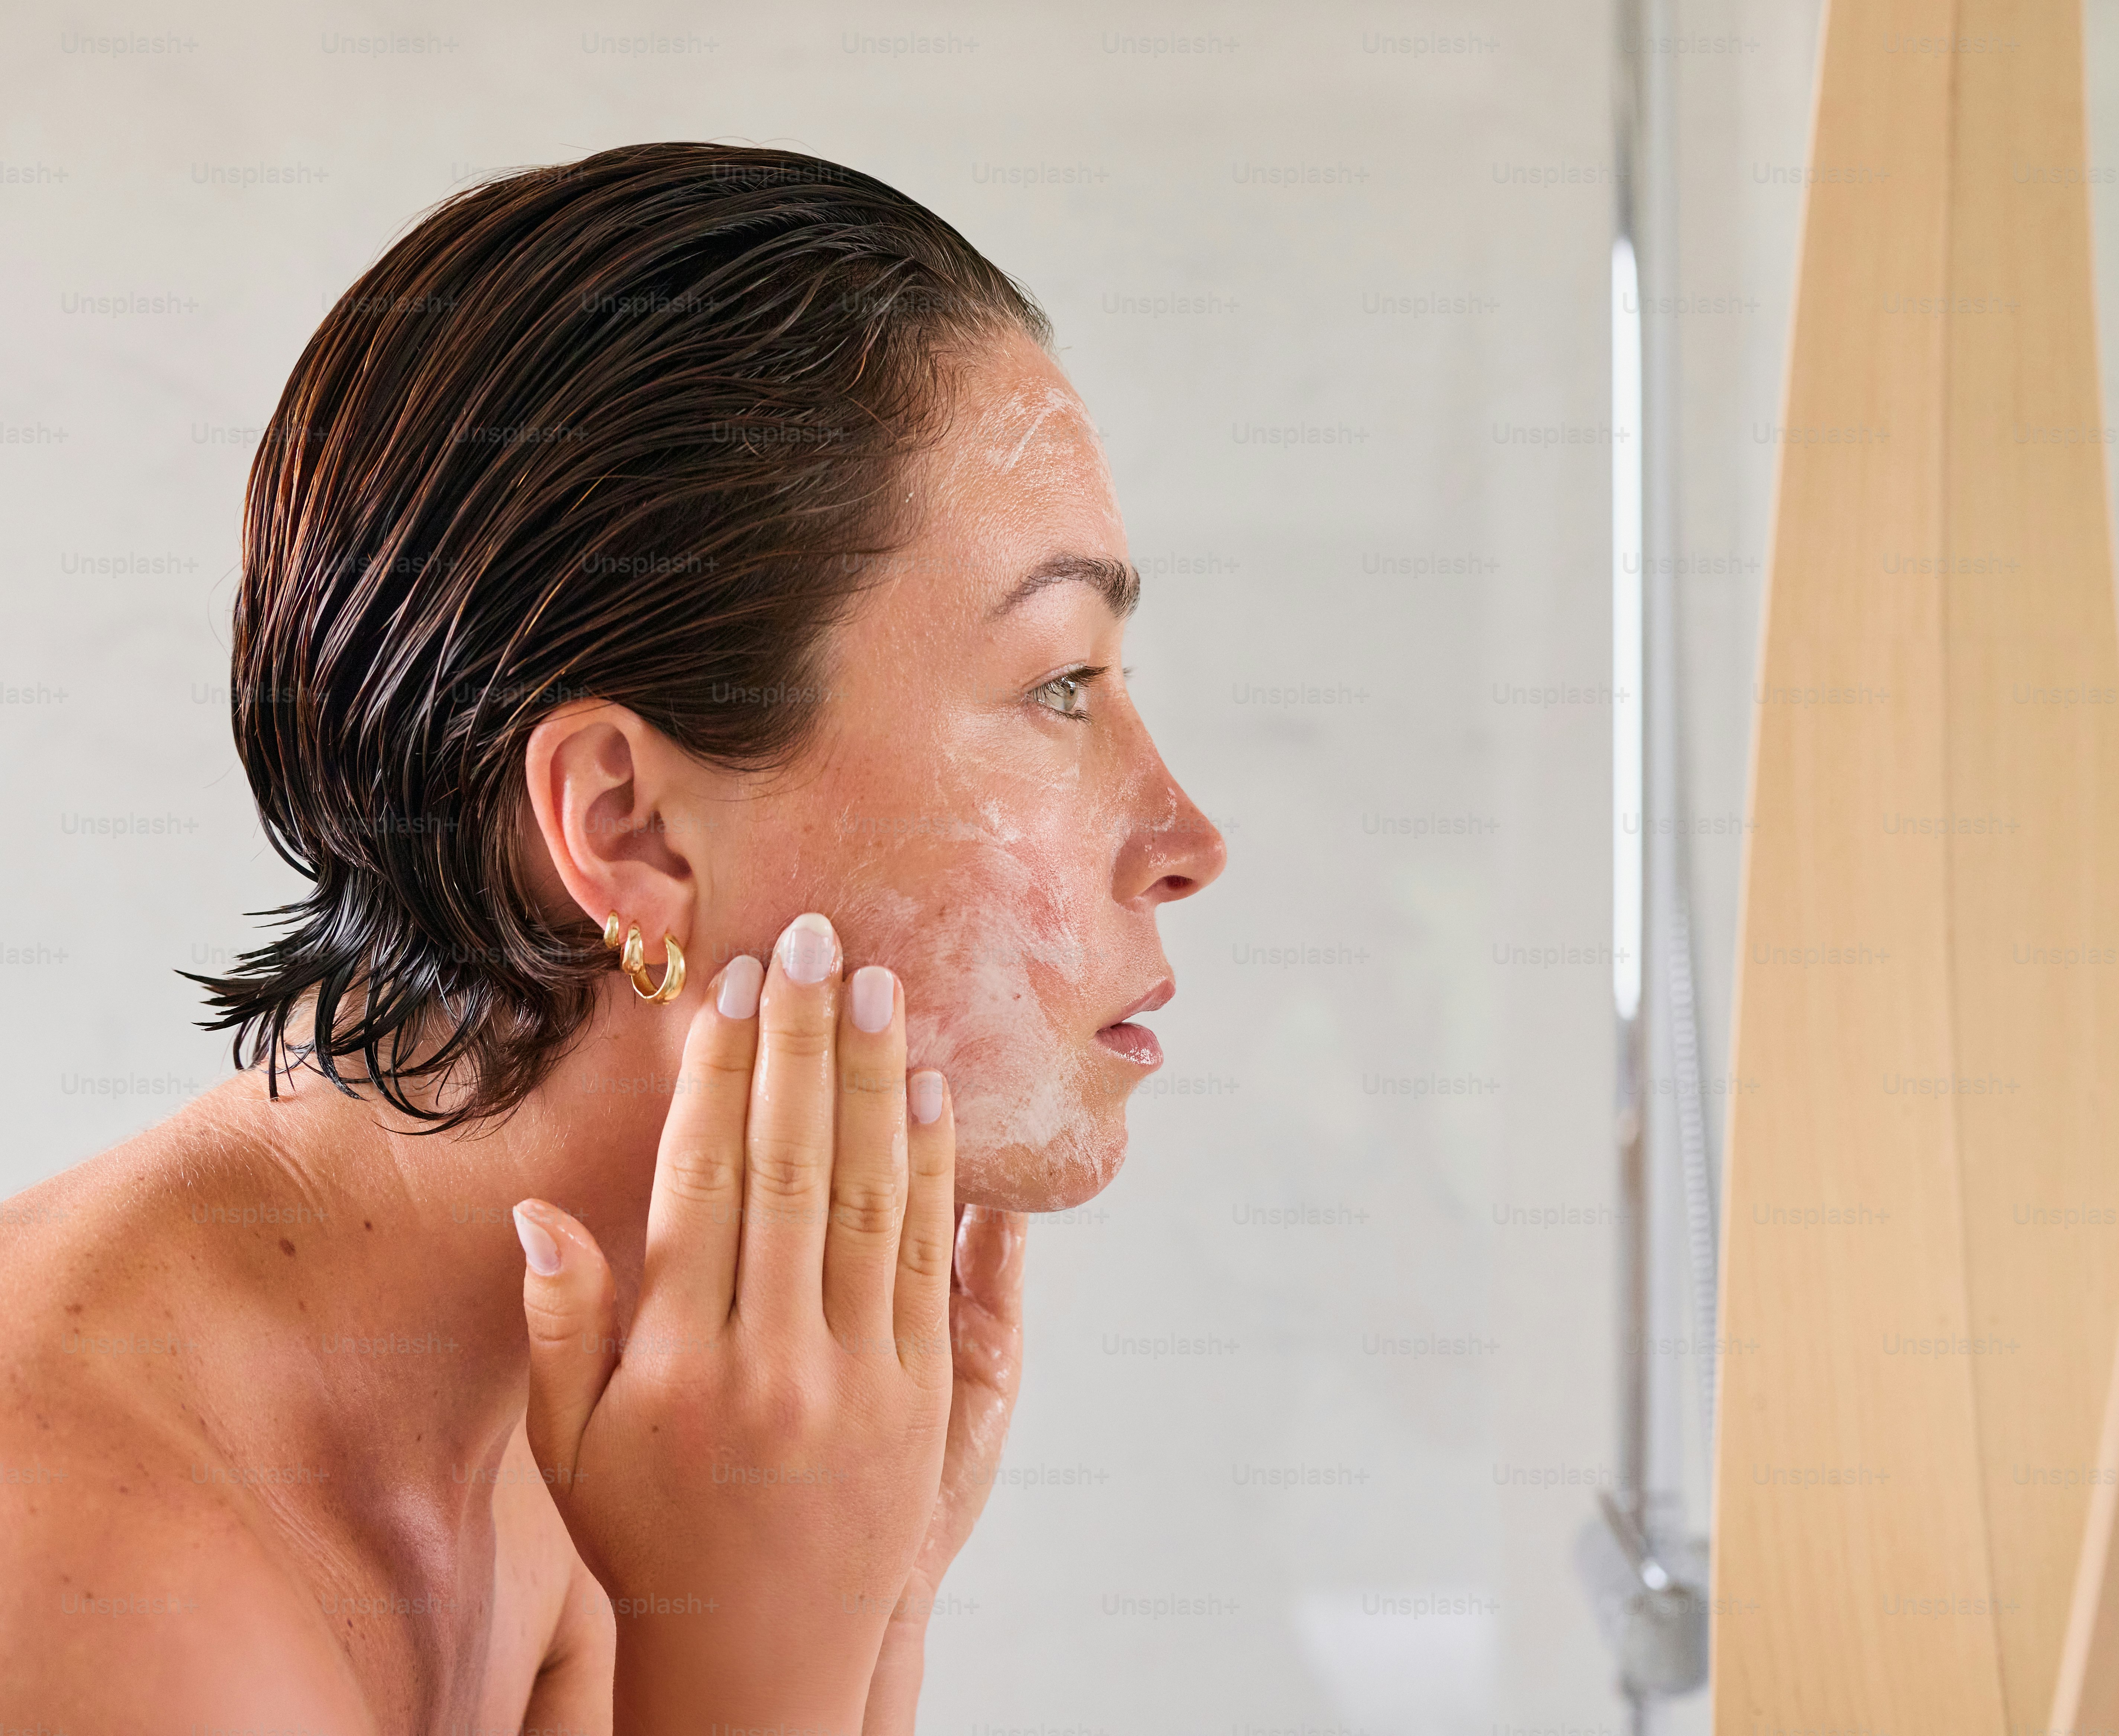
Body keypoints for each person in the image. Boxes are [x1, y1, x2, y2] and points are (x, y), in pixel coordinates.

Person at [0, 142, 1225, 1732]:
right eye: (1060, 684)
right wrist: (755, 1662)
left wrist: (867, 1612)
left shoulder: (596, 1443)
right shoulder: (105, 1580)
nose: (1187, 841)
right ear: (629, 830)